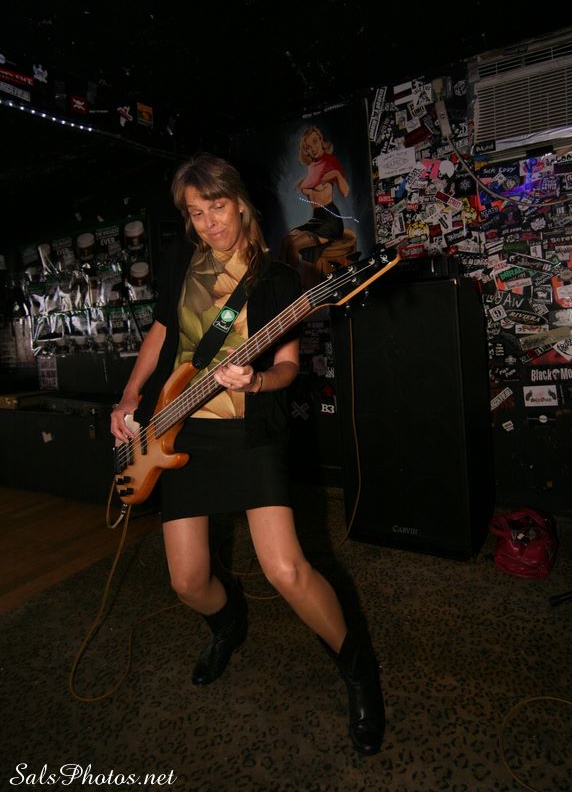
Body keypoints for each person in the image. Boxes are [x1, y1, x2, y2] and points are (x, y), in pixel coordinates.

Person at [110, 153, 384, 755]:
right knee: (187, 582)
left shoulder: (279, 280)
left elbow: (286, 367)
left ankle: (357, 667)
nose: (209, 223)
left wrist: (255, 381)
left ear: (240, 204)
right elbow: (162, 331)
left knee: (286, 571)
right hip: (175, 429)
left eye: (218, 208)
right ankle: (228, 623)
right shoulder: (181, 261)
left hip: (247, 434)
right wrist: (130, 397)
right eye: (196, 213)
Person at [279, 126, 351, 274]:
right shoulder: (312, 167)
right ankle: (281, 282)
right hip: (316, 218)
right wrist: (304, 184)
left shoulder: (330, 161)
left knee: (294, 246)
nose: (313, 149)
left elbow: (345, 192)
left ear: (321, 140)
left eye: (315, 142)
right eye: (308, 147)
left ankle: (292, 284)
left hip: (330, 221)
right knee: (286, 241)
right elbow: (312, 190)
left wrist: (336, 174)